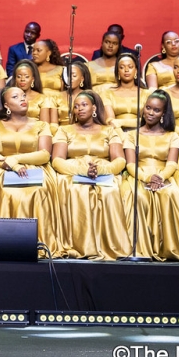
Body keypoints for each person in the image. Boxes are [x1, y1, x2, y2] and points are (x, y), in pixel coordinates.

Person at [0, 86, 63, 255]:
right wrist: (10, 165)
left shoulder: (42, 125)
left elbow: (44, 154)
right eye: (16, 96)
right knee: (6, 191)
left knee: (37, 190)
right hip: (2, 167)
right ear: (6, 105)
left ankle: (39, 243)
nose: (22, 98)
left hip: (33, 167)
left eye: (23, 95)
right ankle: (2, 245)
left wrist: (17, 159)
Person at [50, 91, 129, 259]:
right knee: (75, 189)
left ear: (94, 108)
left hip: (103, 170)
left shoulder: (109, 131)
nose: (79, 109)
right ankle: (78, 245)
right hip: (73, 171)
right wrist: (82, 171)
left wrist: (100, 170)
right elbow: (57, 160)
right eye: (76, 106)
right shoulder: (64, 130)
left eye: (84, 105)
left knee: (111, 191)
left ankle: (109, 245)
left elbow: (120, 160)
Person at [120, 91, 179, 261]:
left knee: (171, 193)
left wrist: (160, 177)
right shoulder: (132, 135)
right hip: (139, 175)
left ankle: (168, 249)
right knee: (137, 195)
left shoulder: (172, 136)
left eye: (156, 110)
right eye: (148, 108)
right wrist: (146, 178)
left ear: (163, 113)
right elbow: (130, 164)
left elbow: (172, 164)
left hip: (165, 175)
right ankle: (139, 249)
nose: (150, 113)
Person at [101, 53, 147, 132]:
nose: (126, 70)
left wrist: (121, 122)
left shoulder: (146, 93)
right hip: (116, 133)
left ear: (136, 71)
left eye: (130, 67)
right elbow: (110, 121)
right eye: (122, 67)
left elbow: (147, 120)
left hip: (141, 133)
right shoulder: (107, 93)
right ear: (118, 72)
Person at [9, 60, 57, 125]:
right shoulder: (8, 98)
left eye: (26, 76)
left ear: (33, 79)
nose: (22, 79)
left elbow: (44, 126)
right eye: (19, 76)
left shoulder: (43, 99)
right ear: (15, 79)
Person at [31, 40, 66, 109]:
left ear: (48, 53)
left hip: (57, 106)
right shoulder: (30, 70)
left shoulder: (61, 70)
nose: (34, 53)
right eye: (33, 50)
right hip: (35, 106)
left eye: (38, 50)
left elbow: (65, 93)